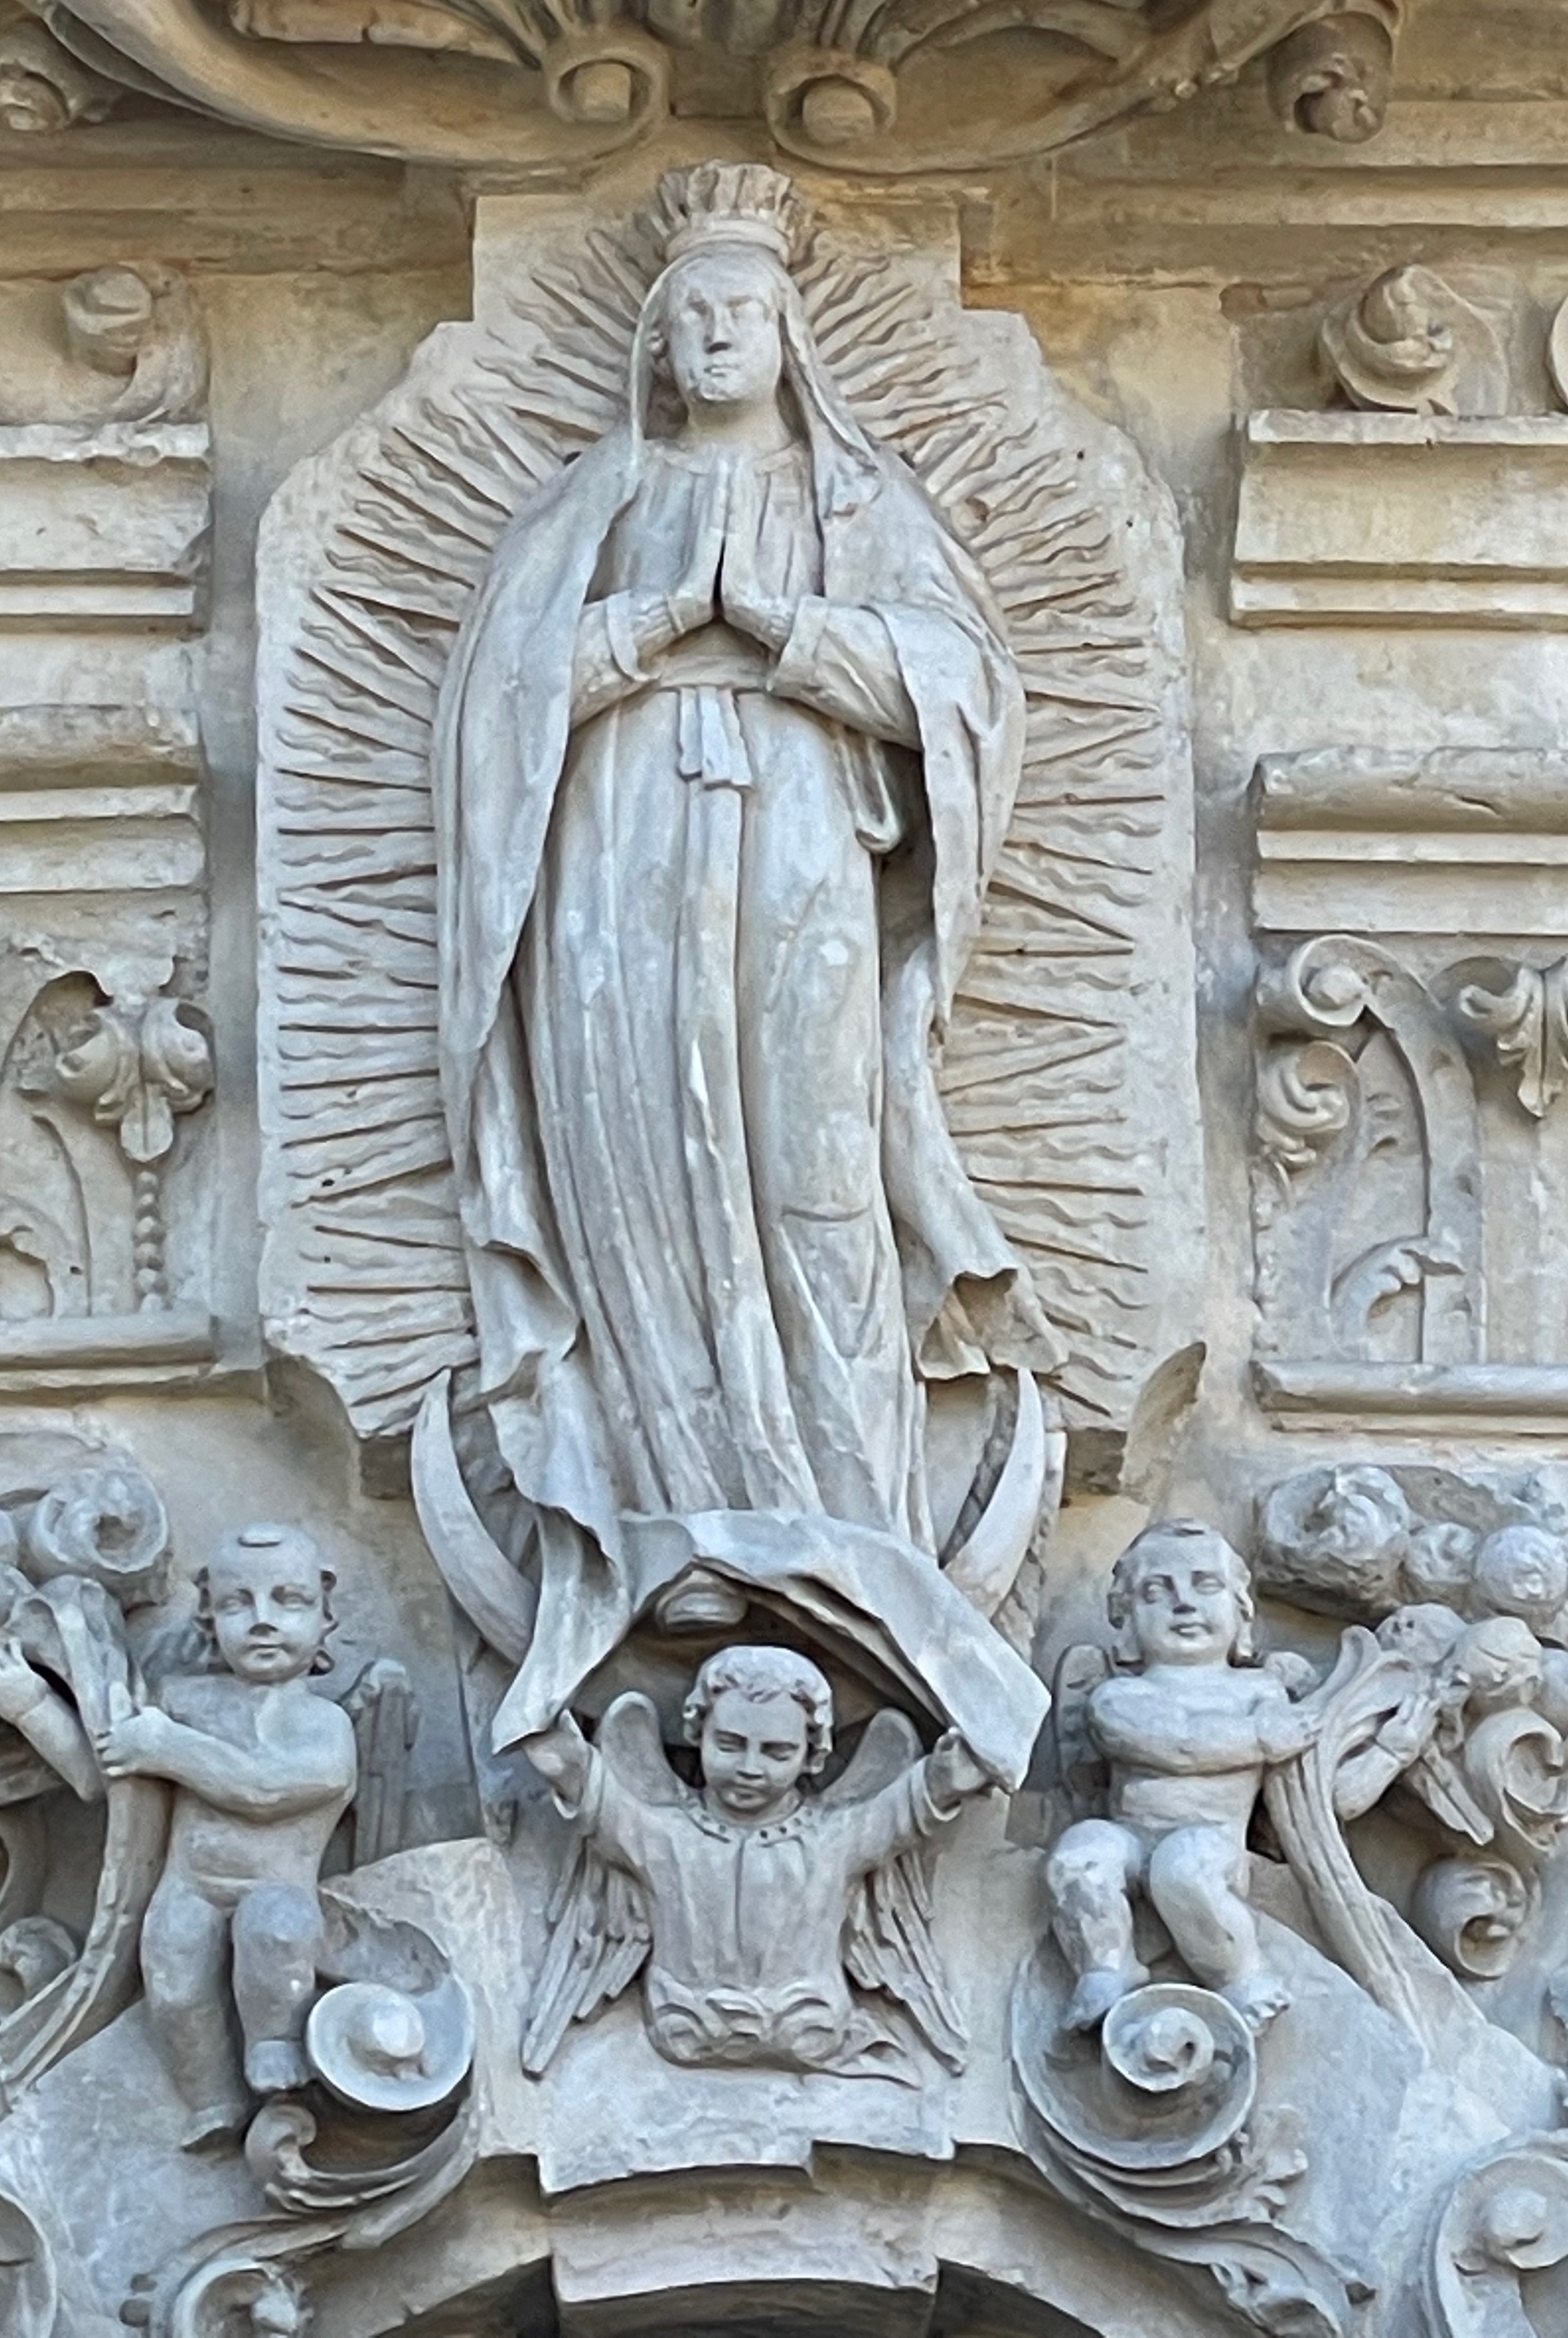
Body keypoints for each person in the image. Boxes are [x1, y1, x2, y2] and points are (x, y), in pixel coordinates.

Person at [434, 161, 1060, 1745]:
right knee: (640, 1159)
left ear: (790, 338)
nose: (720, 334)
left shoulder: (861, 506)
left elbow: (967, 689)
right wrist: (646, 630)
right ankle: (672, 1514)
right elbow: (498, 702)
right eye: (695, 313)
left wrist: (787, 629)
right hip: (617, 855)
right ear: (656, 342)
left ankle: (850, 1511)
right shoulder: (591, 506)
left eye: (746, 311)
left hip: (802, 842)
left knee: (812, 1161)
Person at [522, 1643, 993, 2075]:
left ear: (812, 1754)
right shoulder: (667, 1836)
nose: (750, 1768)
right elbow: (606, 1807)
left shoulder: (832, 1840)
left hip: (807, 2025)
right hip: (687, 2026)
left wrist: (945, 1780)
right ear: (698, 1735)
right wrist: (566, 1765)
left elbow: (899, 1813)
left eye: (777, 1752)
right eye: (729, 1745)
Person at [88, 1523, 357, 2147]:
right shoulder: (184, 1703)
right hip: (189, 1888)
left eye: (288, 1601)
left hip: (277, 1890)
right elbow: (104, 1774)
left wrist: (168, 1748)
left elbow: (261, 1790)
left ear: (325, 1616)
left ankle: (275, 2040)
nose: (262, 1621)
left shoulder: (325, 1724)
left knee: (276, 1929)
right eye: (239, 1603)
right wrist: (28, 1704)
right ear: (208, 1619)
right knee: (174, 1977)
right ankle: (211, 2099)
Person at [1045, 1520, 1324, 2034]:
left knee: (1183, 1868)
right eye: (1157, 1592)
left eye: (1205, 1585)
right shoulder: (1118, 1696)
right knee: (1081, 1853)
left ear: (1242, 1611)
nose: (1184, 1604)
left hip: (1213, 1842)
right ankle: (1105, 1967)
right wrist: (1262, 1737)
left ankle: (1244, 1977)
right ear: (1127, 1621)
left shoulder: (1260, 1691)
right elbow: (1174, 1743)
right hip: (1132, 1837)